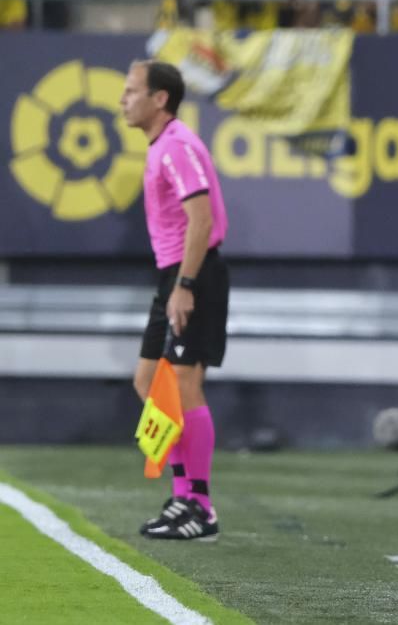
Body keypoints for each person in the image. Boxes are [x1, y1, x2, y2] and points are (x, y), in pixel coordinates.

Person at [121, 60, 230, 541]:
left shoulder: (176, 146)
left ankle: (200, 507)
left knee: (185, 387)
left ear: (159, 98)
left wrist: (185, 285)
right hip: (174, 274)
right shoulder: (163, 145)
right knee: (148, 382)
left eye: (131, 91)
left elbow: (201, 221)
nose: (123, 100)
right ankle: (183, 496)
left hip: (193, 274)